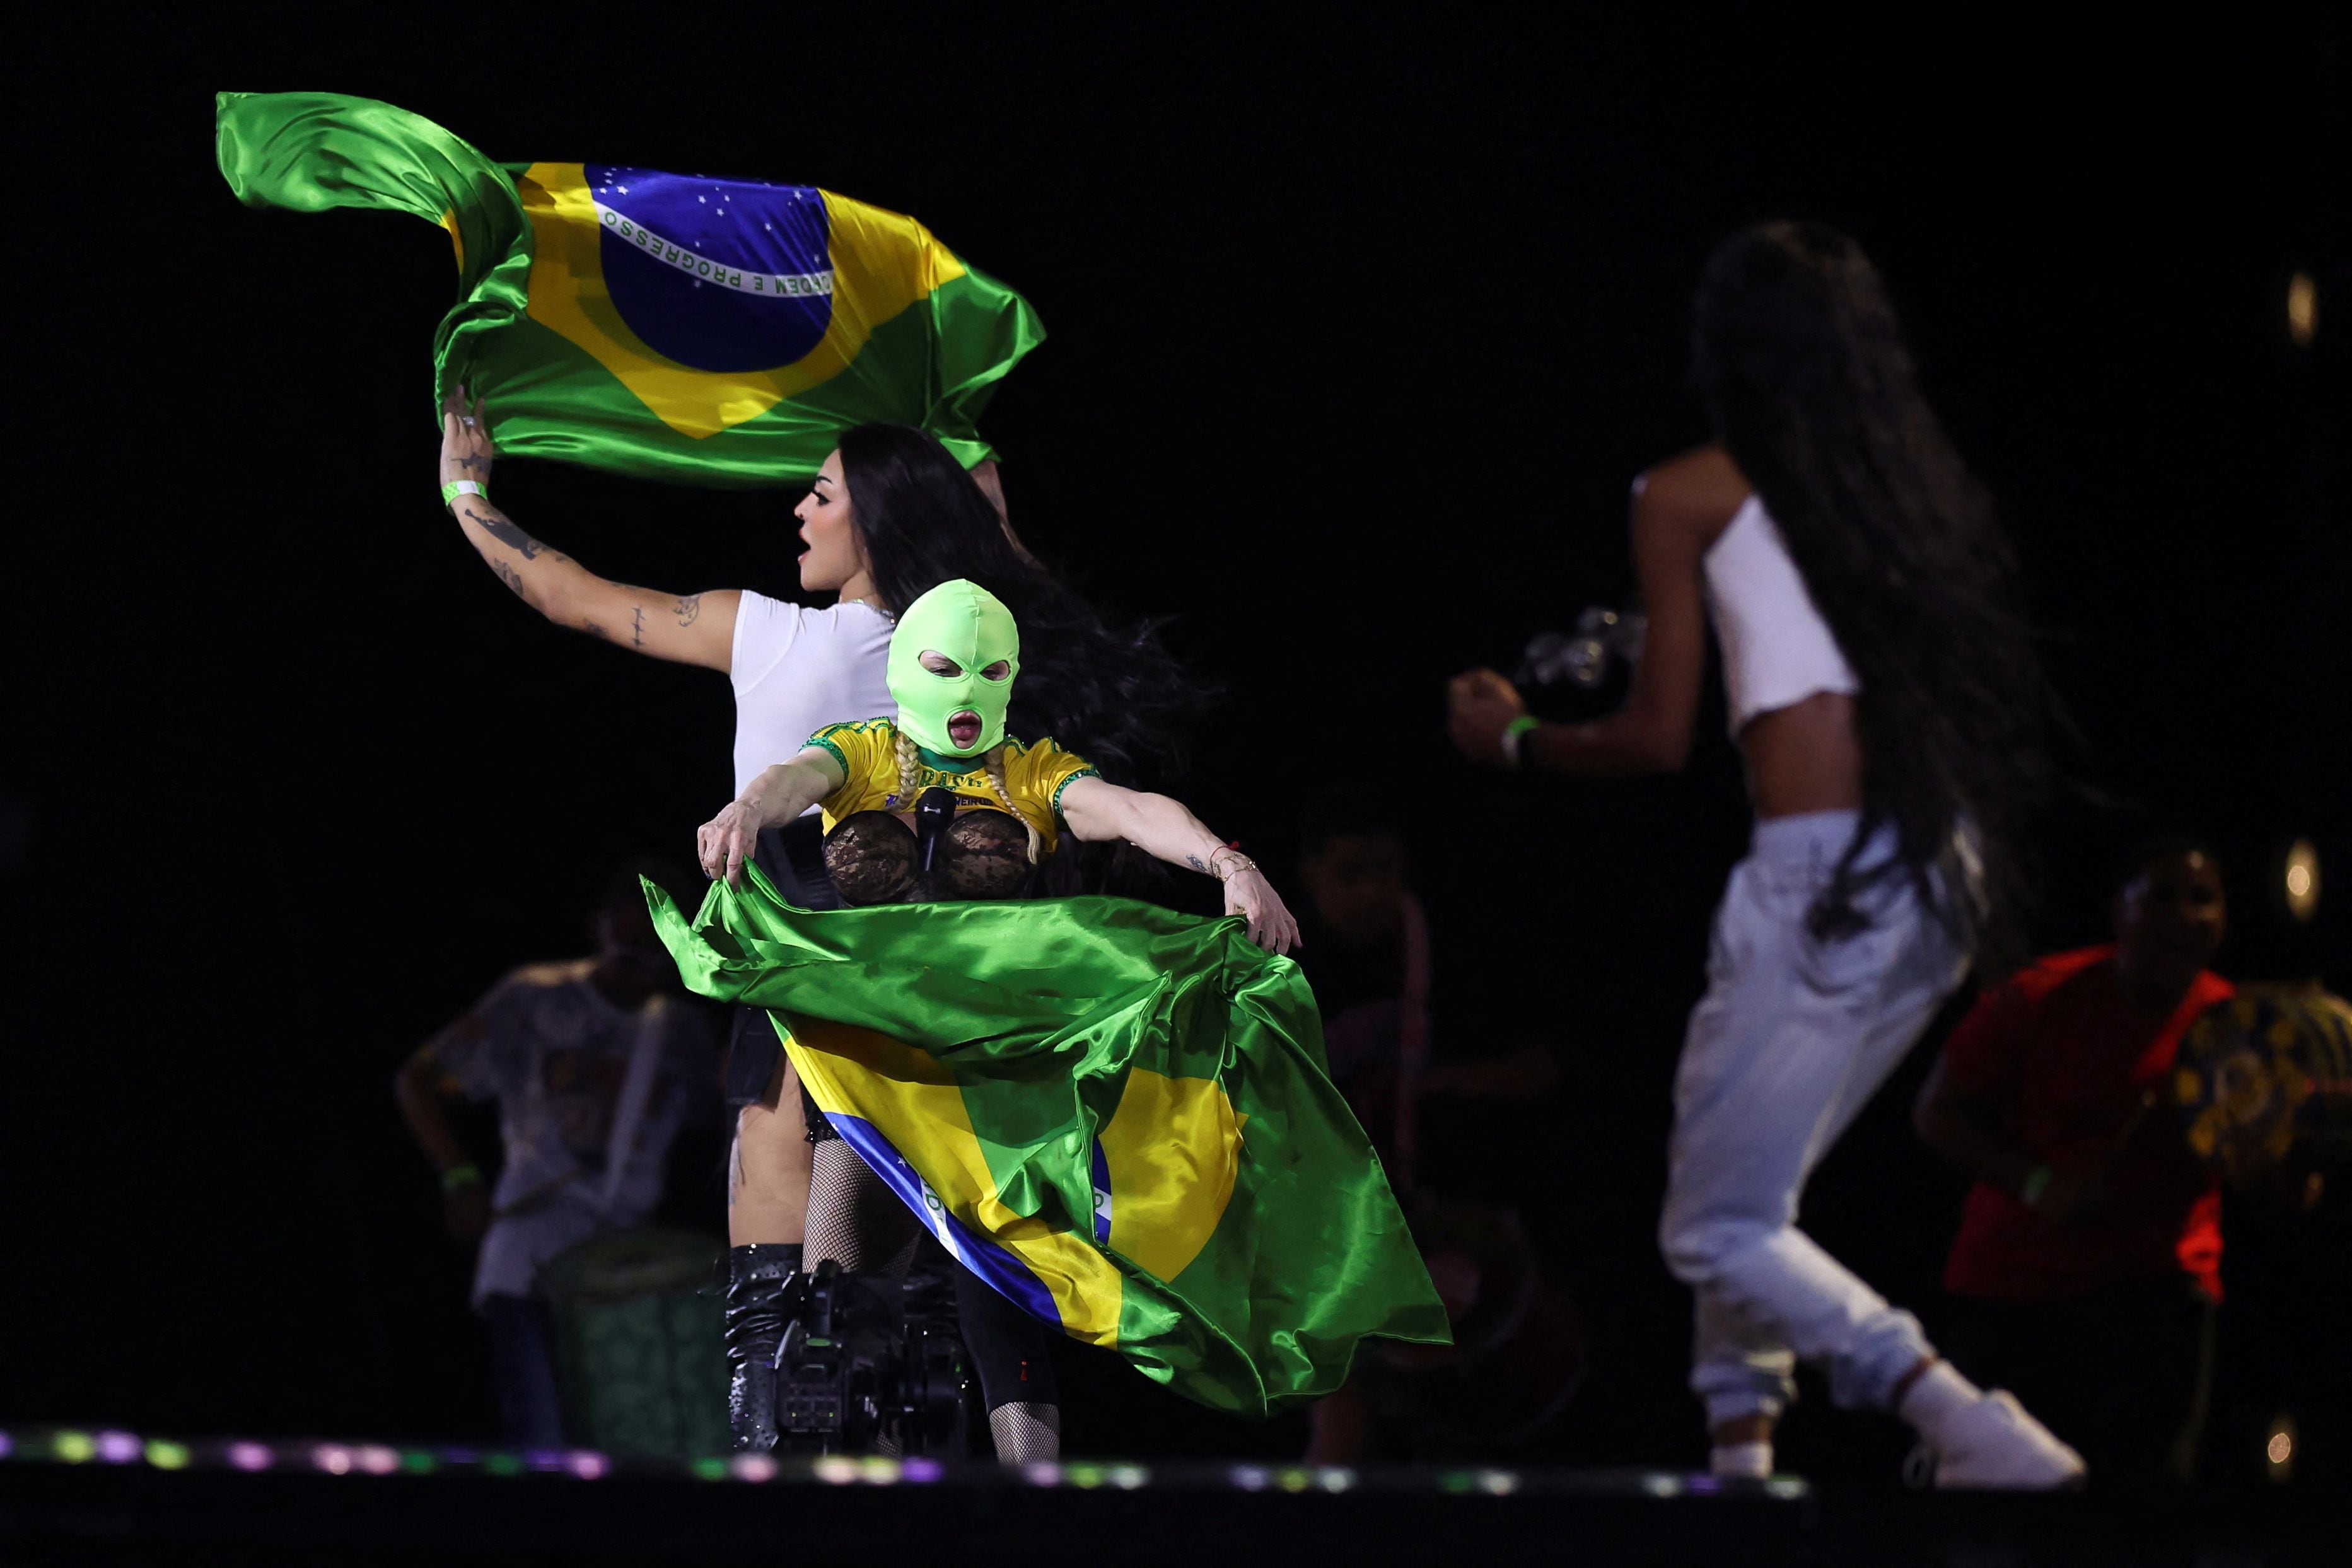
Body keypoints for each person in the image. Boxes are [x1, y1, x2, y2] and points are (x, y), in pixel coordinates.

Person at [1445, 221, 2081, 1487]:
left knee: (1715, 1217)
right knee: (1736, 1171)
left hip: (1821, 880)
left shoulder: (1682, 494)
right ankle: (1739, 1452)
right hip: (1932, 876)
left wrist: (1511, 738)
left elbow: (1652, 738)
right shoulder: (1891, 502)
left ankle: (1967, 1424)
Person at [436, 397, 1195, 1449]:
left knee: (782, 1363)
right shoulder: (992, 666)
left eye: (823, 494)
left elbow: (573, 597)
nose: (799, 510)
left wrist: (465, 493)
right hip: (948, 1040)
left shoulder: (774, 636)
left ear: (874, 525)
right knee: (916, 1351)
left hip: (805, 1020)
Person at [697, 579, 1301, 1461]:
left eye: (990, 670)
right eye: (944, 666)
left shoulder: (1029, 771)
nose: (966, 690)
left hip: (985, 1068)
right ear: (908, 667)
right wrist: (749, 805)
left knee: (996, 1278)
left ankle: (1036, 1493)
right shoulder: (862, 753)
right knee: (838, 1306)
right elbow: (795, 779)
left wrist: (1226, 862)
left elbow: (1132, 811)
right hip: (870, 1059)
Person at [1914, 835, 2232, 1482]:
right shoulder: (2035, 997)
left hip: (2158, 1297)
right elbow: (1935, 1114)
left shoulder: (2238, 1025)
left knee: (2138, 1518)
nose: (2184, 916)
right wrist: (2038, 1183)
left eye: (2203, 899)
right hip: (2018, 1290)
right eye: (2162, 896)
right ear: (2118, 909)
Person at [393, 861, 718, 1446]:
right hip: (529, 1256)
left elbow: (722, 1126)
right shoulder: (535, 1000)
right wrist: (459, 1177)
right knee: (543, 1444)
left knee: (631, 1446)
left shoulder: (683, 1032)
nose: (641, 962)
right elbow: (419, 1079)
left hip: (627, 1272)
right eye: (629, 944)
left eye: (656, 947)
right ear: (602, 927)